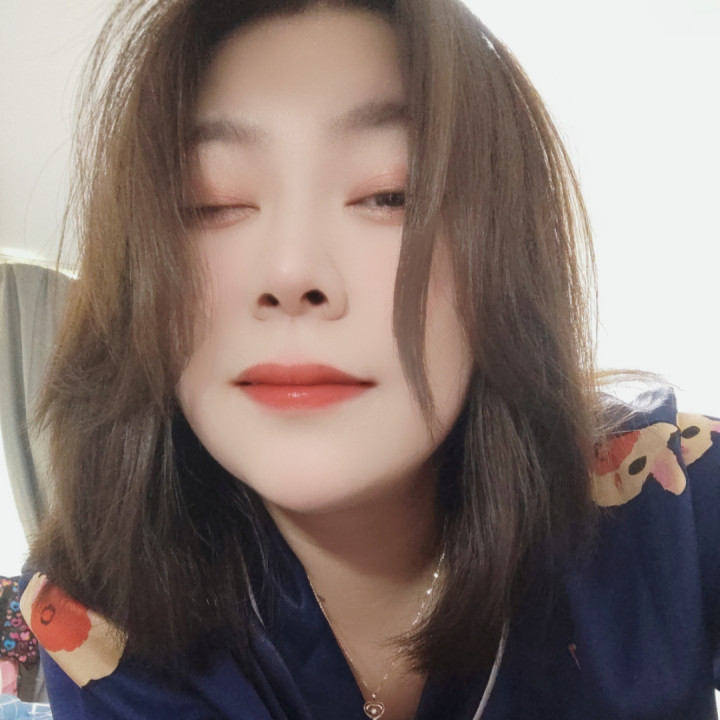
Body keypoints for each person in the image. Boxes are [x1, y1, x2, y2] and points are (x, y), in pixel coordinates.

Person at [17, 0, 720, 718]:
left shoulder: (671, 499)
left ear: (504, 259)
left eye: (390, 194)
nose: (291, 273)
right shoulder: (97, 613)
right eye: (213, 202)